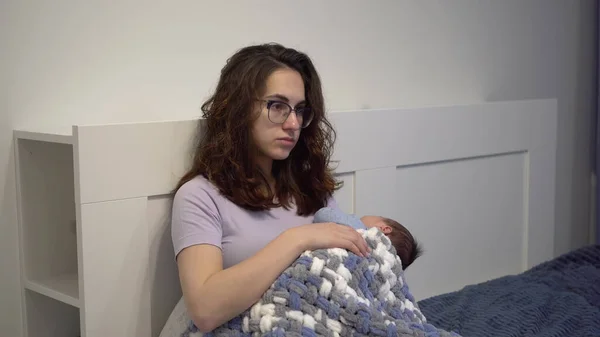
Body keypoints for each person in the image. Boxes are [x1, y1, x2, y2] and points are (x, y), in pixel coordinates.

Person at [170, 43, 371, 333]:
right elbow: (204, 309)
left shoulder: (312, 189)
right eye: (277, 106)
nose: (293, 123)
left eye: (300, 110)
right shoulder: (199, 196)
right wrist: (296, 239)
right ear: (240, 109)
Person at [314, 207, 424, 270]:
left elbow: (322, 214)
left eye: (380, 216)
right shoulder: (371, 266)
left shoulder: (358, 229)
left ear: (385, 229)